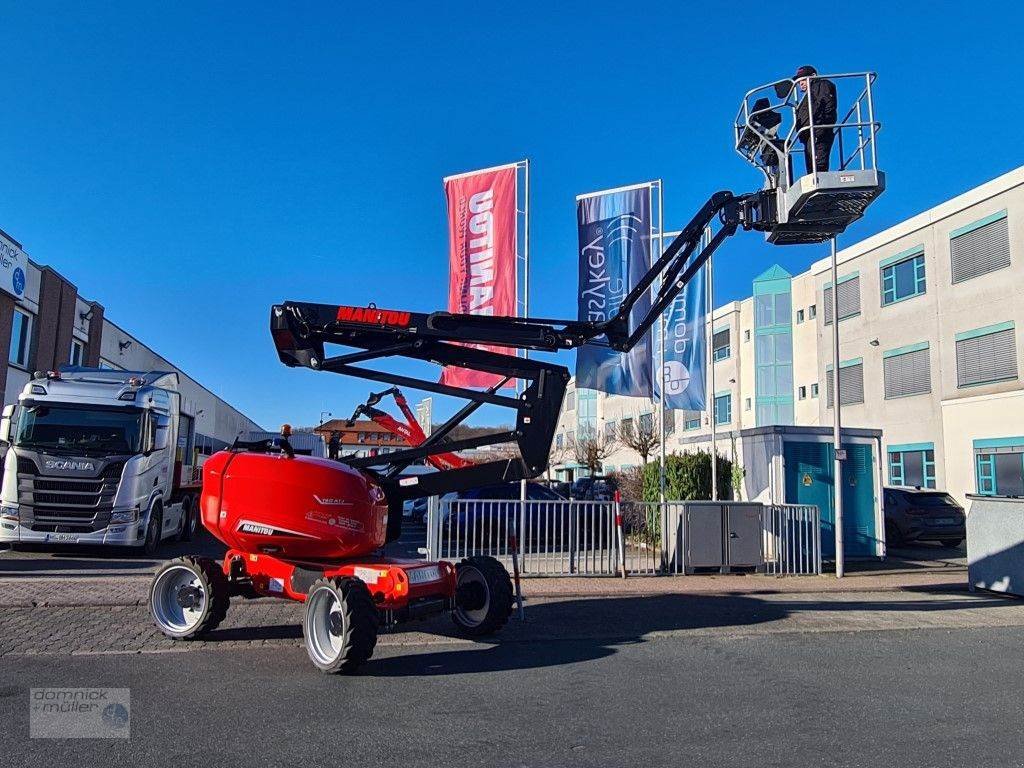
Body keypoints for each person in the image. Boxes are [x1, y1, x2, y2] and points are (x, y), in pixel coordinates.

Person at [792, 65, 837, 174]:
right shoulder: (807, 96)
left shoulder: (820, 85)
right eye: (799, 81)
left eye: (803, 79)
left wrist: (819, 127)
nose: (801, 83)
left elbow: (826, 106)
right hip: (809, 135)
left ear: (813, 76)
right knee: (812, 170)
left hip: (817, 132)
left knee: (818, 168)